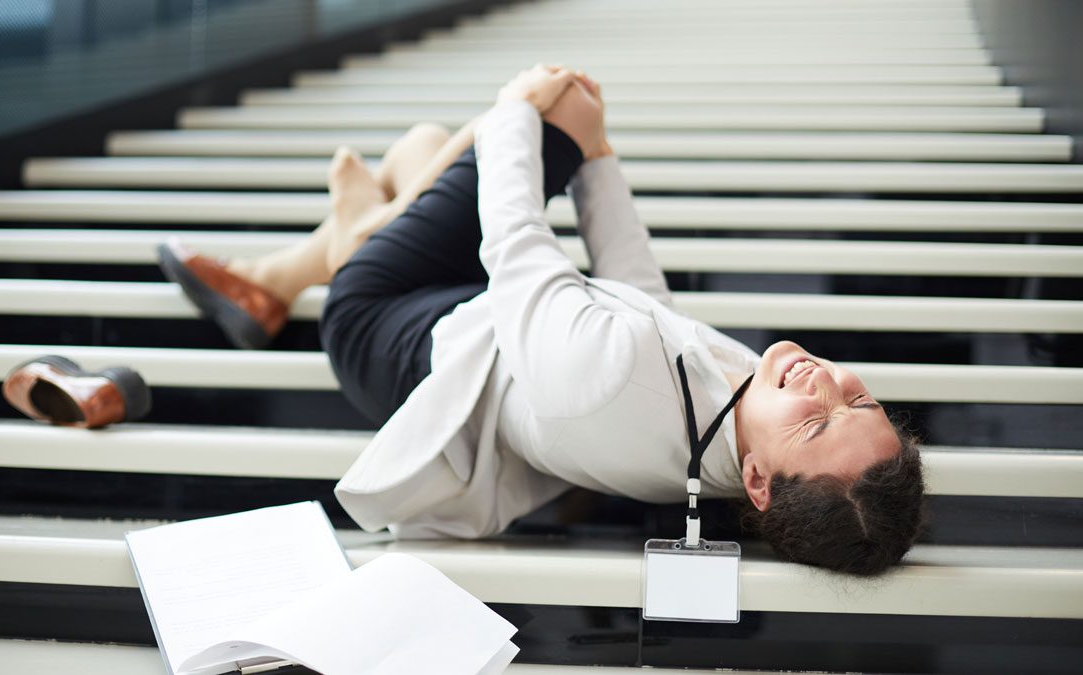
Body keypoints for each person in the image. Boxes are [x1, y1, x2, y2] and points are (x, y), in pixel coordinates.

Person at [158, 65, 926, 576]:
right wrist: (598, 159)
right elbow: (644, 301)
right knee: (424, 146)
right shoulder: (728, 429)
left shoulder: (617, 381)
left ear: (759, 481)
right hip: (486, 327)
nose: (828, 382)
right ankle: (321, 248)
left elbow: (518, 242)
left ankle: (344, 245)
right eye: (862, 401)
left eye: (818, 423)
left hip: (383, 321)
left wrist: (517, 111)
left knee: (559, 102)